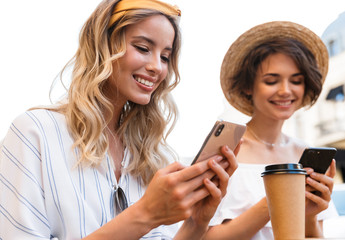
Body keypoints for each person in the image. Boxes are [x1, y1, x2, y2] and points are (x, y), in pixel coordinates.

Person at [0, 0, 239, 239]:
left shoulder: (155, 157)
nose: (157, 67)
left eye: (165, 57)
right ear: (103, 45)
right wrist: (146, 213)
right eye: (143, 48)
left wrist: (195, 224)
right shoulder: (35, 133)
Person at [204, 21, 338, 240]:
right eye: (271, 81)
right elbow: (203, 236)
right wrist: (279, 198)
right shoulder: (225, 151)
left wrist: (310, 217)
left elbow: (314, 236)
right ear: (248, 86)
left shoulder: (304, 152)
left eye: (296, 80)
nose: (285, 91)